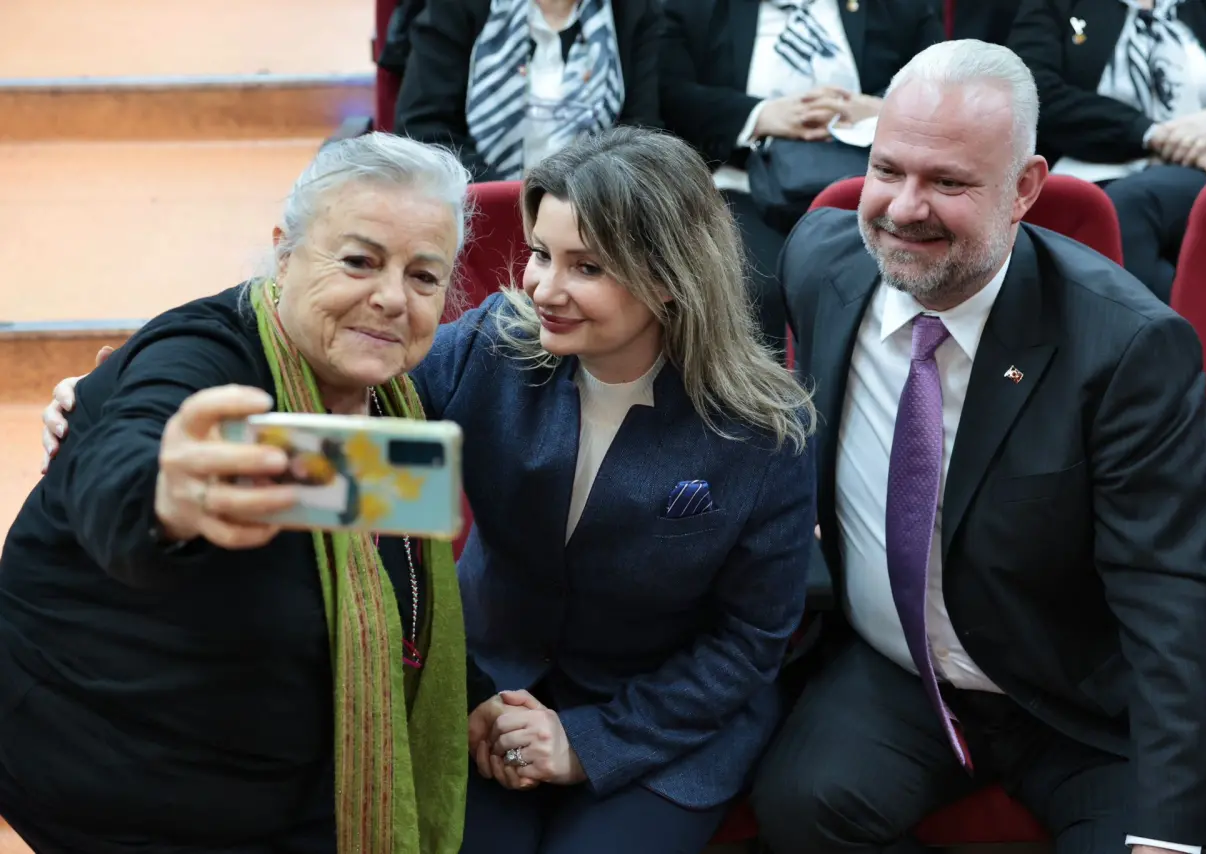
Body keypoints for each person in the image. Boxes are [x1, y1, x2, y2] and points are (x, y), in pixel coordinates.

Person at [40, 126, 819, 854]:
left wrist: (590, 743)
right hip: (489, 686)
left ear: (670, 280)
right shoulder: (495, 344)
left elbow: (749, 641)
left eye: (587, 268)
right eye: (540, 254)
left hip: (663, 719)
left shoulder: (765, 430)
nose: (544, 288)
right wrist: (118, 403)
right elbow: (326, 378)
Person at [749, 40, 1206, 854]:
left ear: (1025, 187)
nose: (904, 208)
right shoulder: (820, 263)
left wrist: (1170, 834)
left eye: (948, 183)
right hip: (901, 673)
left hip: (1085, 704)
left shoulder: (1127, 347)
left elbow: (1171, 597)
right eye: (887, 169)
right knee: (798, 811)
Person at [1, 134, 491, 853]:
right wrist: (164, 500)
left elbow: (396, 587)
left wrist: (474, 697)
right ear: (285, 254)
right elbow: (125, 462)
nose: (391, 298)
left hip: (282, 770)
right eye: (359, 261)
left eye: (423, 276)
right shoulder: (201, 355)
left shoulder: (393, 395)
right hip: (128, 781)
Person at [659, 0, 942, 357]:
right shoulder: (696, 9)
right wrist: (759, 115)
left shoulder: (897, 8)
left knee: (881, 279)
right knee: (755, 285)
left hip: (871, 186)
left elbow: (942, 84)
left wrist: (882, 110)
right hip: (745, 183)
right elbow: (668, 93)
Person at [1006, 0, 1206, 302]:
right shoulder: (1056, 5)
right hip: (1094, 166)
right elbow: (1032, 92)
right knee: (1123, 208)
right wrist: (1153, 134)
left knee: (1135, 204)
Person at [394, 0, 663, 183]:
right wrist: (513, 197)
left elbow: (640, 134)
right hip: (476, 205)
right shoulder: (457, 6)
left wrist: (578, 198)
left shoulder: (633, 9)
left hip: (592, 212)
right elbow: (423, 130)